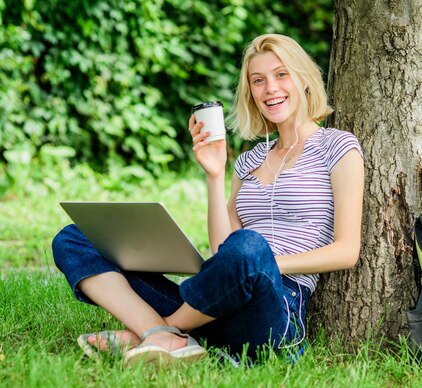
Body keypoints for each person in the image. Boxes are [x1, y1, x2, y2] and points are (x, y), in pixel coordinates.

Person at [52, 33, 365, 366]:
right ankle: (169, 335)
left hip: (274, 309)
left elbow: (347, 251)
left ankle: (163, 332)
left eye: (281, 74)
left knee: (248, 246)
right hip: (215, 299)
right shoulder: (249, 161)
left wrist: (264, 264)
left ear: (304, 79)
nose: (270, 88)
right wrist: (215, 175)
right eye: (258, 81)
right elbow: (221, 251)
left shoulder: (337, 146)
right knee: (74, 238)